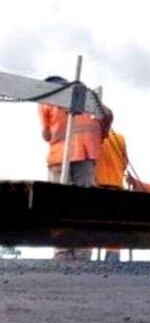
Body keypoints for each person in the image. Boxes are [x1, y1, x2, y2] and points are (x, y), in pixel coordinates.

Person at [38, 75, 108, 261]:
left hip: (62, 157)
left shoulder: (47, 101)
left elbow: (45, 134)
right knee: (82, 205)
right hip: (84, 154)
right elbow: (108, 117)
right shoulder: (88, 98)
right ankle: (80, 253)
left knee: (60, 204)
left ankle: (63, 253)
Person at [94, 106, 129, 263]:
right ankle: (113, 256)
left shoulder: (94, 136)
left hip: (99, 184)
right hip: (116, 184)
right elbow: (125, 161)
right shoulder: (120, 138)